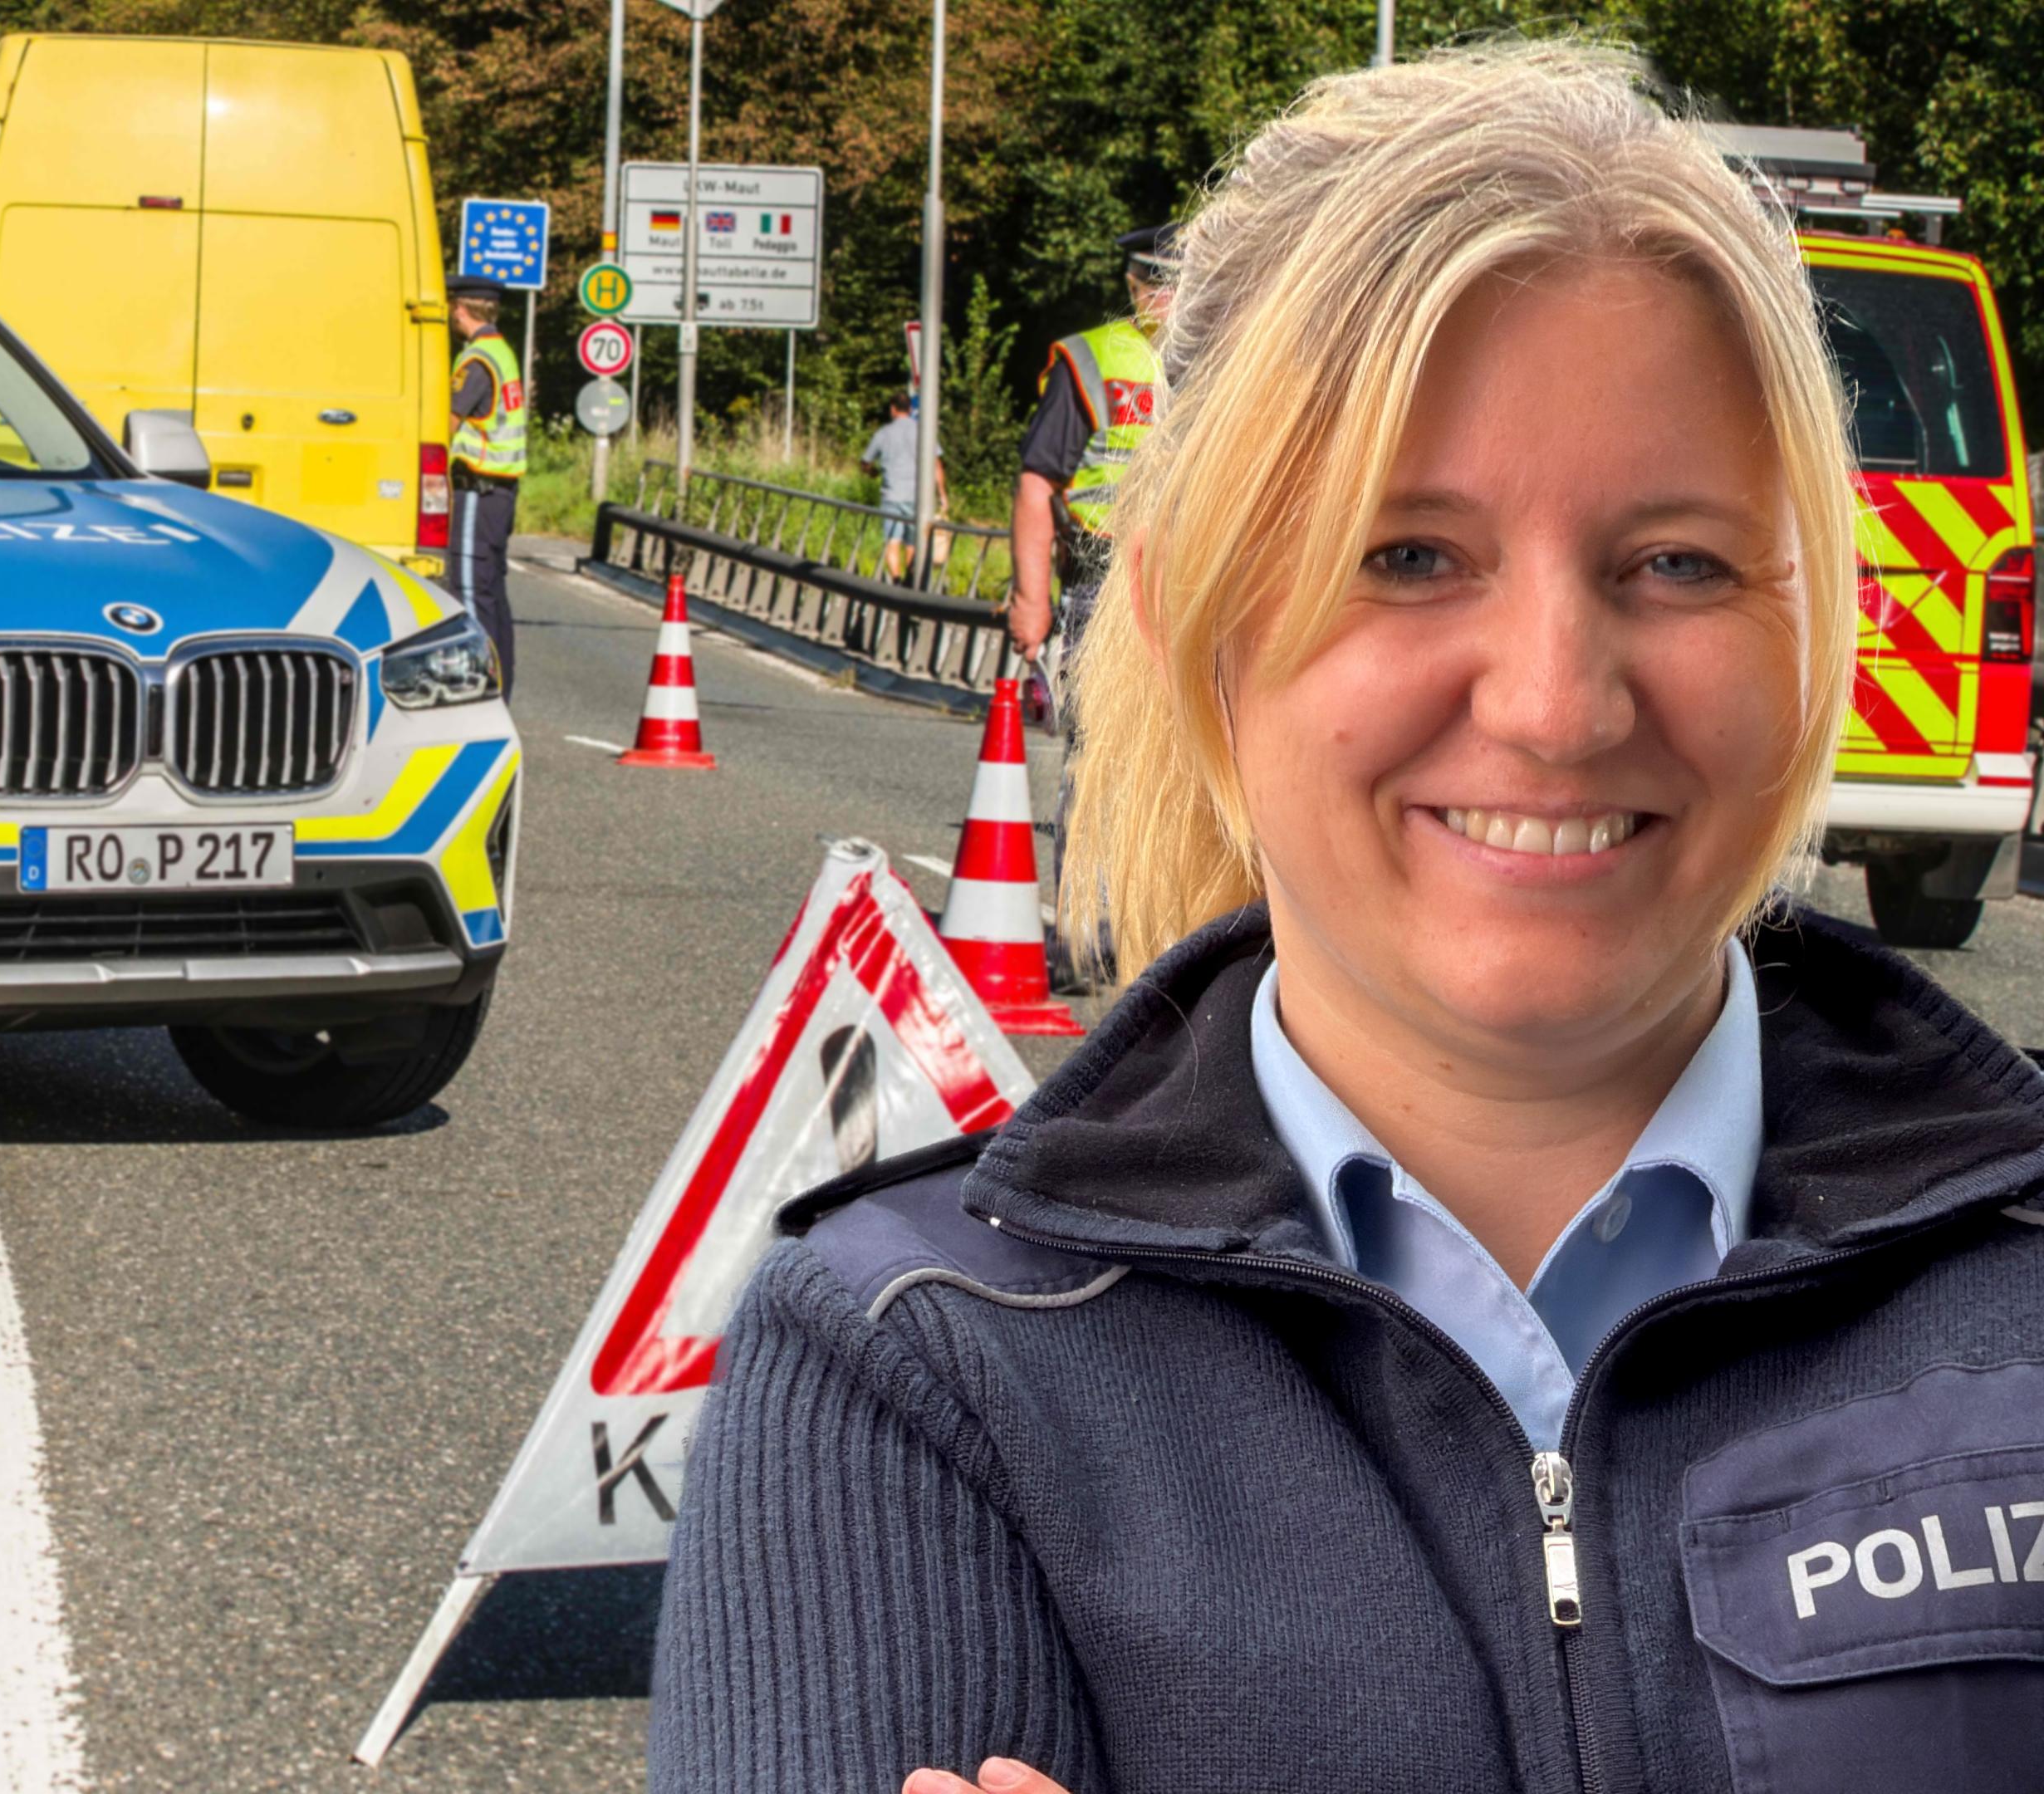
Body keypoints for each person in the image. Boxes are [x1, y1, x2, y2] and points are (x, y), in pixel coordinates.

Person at [652, 42, 2039, 1792]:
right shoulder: (920, 1368)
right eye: (1407, 556)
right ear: (1190, 621)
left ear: (1809, 618)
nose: (1555, 704)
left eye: (1678, 561)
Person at [1007, 227, 1172, 675]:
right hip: (1104, 576)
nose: (1167, 296)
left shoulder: (1233, 359)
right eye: (1155, 283)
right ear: (1132, 286)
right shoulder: (1092, 359)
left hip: (1196, 580)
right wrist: (1031, 600)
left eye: (1178, 283)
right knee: (1097, 736)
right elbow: (1038, 480)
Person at [444, 273, 522, 693]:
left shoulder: (475, 361)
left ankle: (483, 694)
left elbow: (447, 424)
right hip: (501, 493)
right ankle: (502, 688)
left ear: (460, 309)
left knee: (471, 594)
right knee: (492, 596)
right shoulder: (502, 352)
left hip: (478, 488)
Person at [860, 391, 946, 581]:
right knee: (912, 543)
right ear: (910, 409)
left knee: (892, 542)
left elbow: (865, 462)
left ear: (892, 409)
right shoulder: (924, 433)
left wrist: (872, 472)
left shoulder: (883, 433)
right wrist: (942, 494)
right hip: (918, 497)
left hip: (891, 495)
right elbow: (937, 465)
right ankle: (911, 580)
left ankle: (897, 581)